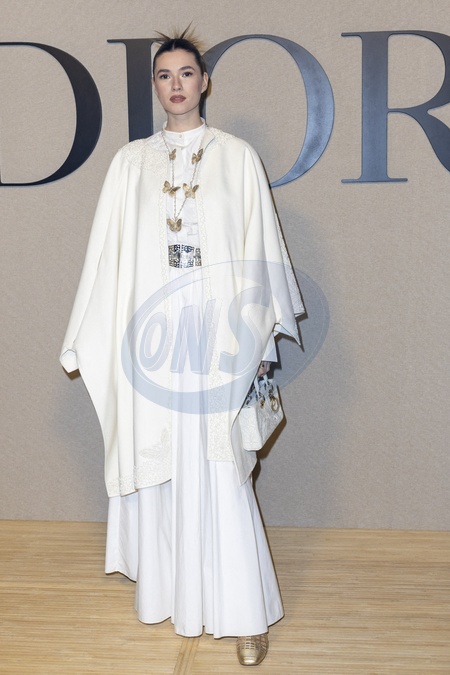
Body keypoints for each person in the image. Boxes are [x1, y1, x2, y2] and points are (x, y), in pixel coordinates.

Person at [60, 28, 304, 667]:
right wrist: (89, 331)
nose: (176, 84)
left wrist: (256, 338)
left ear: (205, 82)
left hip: (218, 333)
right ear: (155, 86)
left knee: (220, 465)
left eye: (187, 73)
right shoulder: (129, 162)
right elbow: (106, 257)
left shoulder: (238, 157)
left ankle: (245, 614)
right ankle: (174, 594)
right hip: (152, 335)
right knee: (162, 459)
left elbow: (259, 248)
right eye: (165, 75)